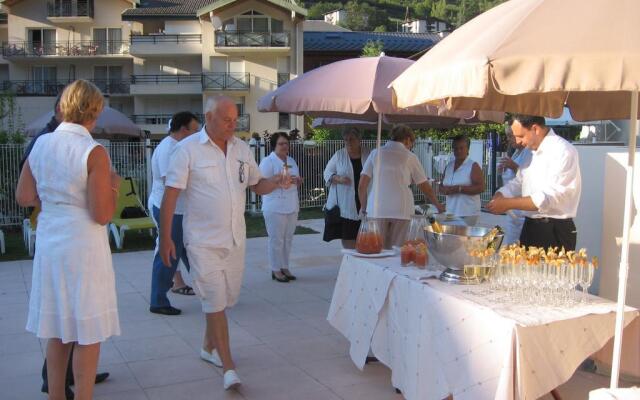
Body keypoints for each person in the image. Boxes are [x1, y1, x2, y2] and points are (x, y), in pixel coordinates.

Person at [159, 96, 280, 390]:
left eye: (235, 119)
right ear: (208, 117)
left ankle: (207, 347)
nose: (233, 125)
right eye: (227, 120)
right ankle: (228, 367)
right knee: (214, 301)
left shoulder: (241, 149)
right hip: (202, 242)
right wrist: (165, 238)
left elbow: (256, 184)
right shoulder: (186, 150)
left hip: (235, 239)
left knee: (223, 300)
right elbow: (171, 196)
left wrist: (276, 182)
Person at [16, 79, 120, 400]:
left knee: (57, 325)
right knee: (86, 329)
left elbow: (24, 196)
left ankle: (56, 395)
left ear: (62, 107)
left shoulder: (42, 144)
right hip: (83, 245)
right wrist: (114, 186)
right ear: (96, 111)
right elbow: (102, 214)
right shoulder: (94, 152)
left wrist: (56, 198)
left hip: (50, 240)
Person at [487, 114, 581, 250]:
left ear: (535, 129)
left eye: (521, 136)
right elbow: (519, 181)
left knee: (550, 271)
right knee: (524, 270)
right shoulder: (529, 153)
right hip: (529, 226)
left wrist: (508, 203)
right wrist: (501, 194)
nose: (517, 141)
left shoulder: (562, 151)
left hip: (554, 230)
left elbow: (550, 198)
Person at [358, 124, 445, 249]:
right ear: (407, 139)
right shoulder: (410, 157)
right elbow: (425, 186)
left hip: (376, 208)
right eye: (411, 143)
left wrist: (364, 207)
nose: (411, 146)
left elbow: (362, 185)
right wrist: (438, 205)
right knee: (397, 251)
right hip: (402, 209)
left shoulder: (375, 153)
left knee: (375, 249)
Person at [148, 112, 200, 315]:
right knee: (169, 252)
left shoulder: (178, 147)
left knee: (190, 251)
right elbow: (171, 181)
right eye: (195, 130)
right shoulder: (168, 148)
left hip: (180, 209)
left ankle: (208, 290)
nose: (197, 134)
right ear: (184, 129)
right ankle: (158, 300)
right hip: (169, 209)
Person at [259, 132, 302, 282]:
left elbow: (295, 178)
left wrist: (297, 180)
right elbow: (262, 183)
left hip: (291, 204)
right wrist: (278, 180)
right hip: (275, 205)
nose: (285, 146)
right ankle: (275, 269)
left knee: (288, 239)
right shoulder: (267, 162)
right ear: (274, 146)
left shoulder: (291, 160)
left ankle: (285, 266)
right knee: (276, 239)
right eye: (281, 144)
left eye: (286, 143)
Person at [323, 127, 371, 249]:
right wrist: (338, 179)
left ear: (359, 139)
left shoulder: (369, 154)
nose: (349, 142)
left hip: (365, 200)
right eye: (346, 140)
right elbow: (327, 173)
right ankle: (350, 262)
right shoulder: (339, 155)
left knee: (366, 237)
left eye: (352, 139)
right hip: (346, 203)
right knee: (348, 237)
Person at [499, 123, 533, 245]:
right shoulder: (516, 152)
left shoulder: (528, 152)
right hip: (512, 211)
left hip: (520, 211)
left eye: (510, 136)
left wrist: (513, 166)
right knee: (510, 244)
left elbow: (528, 177)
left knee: (517, 245)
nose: (509, 139)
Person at [439, 135, 485, 226]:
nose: (458, 151)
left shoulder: (473, 165)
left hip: (468, 213)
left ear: (467, 149)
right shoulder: (449, 166)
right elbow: (441, 185)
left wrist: (460, 189)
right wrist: (443, 190)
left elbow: (481, 187)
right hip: (450, 212)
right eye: (455, 148)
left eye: (461, 148)